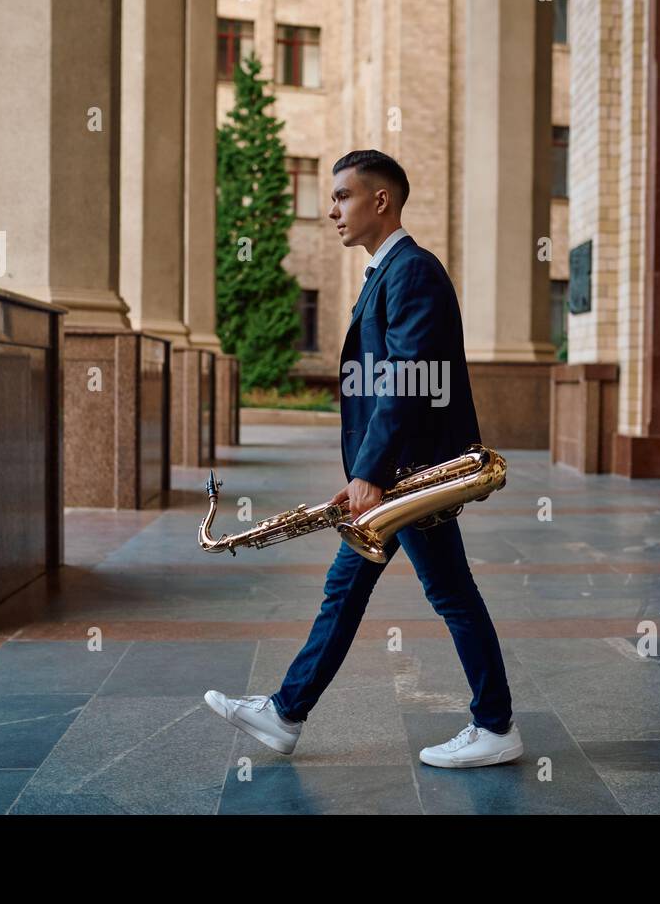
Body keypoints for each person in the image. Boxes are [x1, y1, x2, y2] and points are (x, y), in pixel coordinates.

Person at [204, 149, 522, 768]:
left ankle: (495, 724)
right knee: (352, 589)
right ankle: (287, 713)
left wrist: (371, 472)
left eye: (343, 196)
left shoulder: (411, 271)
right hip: (396, 473)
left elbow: (406, 379)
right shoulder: (387, 272)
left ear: (382, 201)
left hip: (407, 476)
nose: (331, 211)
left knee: (445, 594)